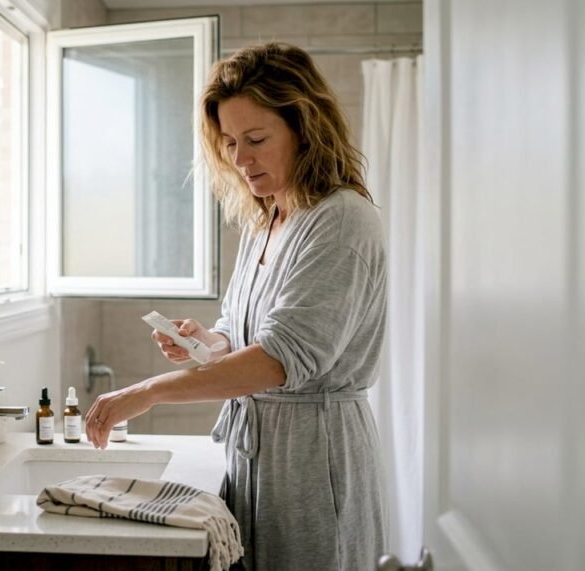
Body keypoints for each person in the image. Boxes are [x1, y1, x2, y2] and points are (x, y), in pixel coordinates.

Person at [85, 42, 386, 571]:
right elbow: (248, 331)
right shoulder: (266, 219)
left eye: (256, 139)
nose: (240, 159)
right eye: (229, 143)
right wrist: (210, 342)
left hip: (314, 461)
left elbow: (279, 360)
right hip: (255, 455)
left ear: (304, 127)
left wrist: (147, 393)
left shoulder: (340, 220)